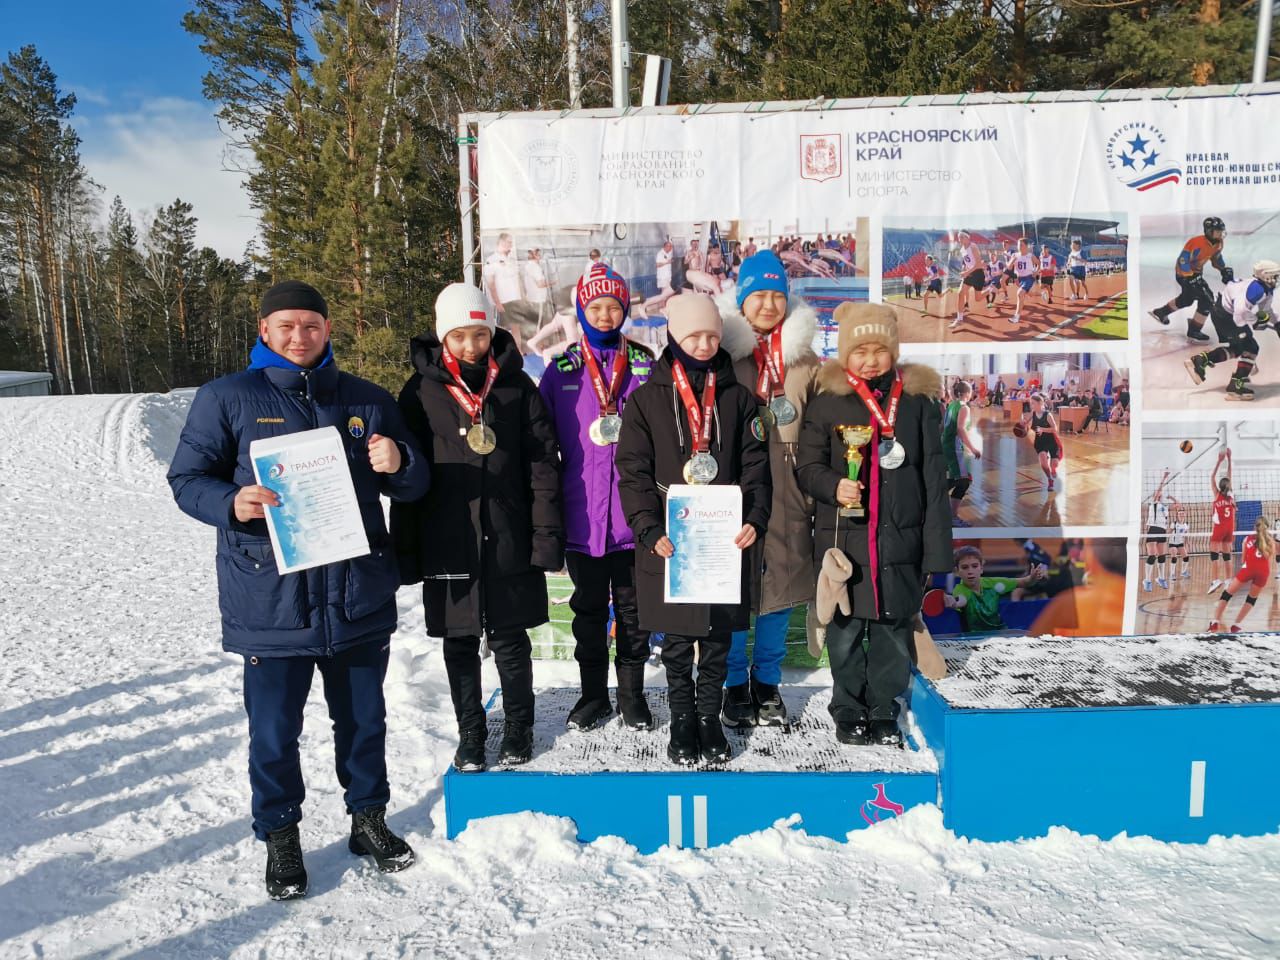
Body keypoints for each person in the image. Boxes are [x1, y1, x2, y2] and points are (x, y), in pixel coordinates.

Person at [168, 280, 429, 900]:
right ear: (264, 331)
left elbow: (414, 486)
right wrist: (232, 501)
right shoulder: (226, 398)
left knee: (364, 721)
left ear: (327, 329)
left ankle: (368, 820)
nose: (299, 336)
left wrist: (401, 462)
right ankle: (281, 836)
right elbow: (186, 479)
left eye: (310, 325)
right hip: (271, 599)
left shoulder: (365, 398)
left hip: (356, 594)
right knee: (274, 731)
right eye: (285, 325)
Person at [391, 283, 564, 773]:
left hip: (508, 534)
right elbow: (407, 476)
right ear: (444, 336)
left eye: (480, 335)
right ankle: (471, 732)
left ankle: (518, 727)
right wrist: (406, 552)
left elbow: (543, 467)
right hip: (450, 541)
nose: (471, 346)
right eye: (460, 336)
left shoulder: (515, 387)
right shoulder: (420, 391)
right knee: (460, 642)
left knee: (510, 641)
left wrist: (545, 537)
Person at [615, 294, 772, 766]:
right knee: (678, 642)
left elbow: (757, 468)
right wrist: (645, 526)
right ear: (673, 337)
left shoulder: (740, 399)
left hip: (722, 542)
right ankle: (682, 718)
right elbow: (632, 472)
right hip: (670, 540)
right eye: (693, 336)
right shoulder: (645, 401)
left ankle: (710, 717)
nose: (703, 345)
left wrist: (754, 519)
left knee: (719, 641)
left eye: (711, 336)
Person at [796, 304, 951, 748]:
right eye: (859, 350)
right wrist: (833, 485)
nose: (869, 360)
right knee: (844, 632)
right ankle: (847, 707)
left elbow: (933, 480)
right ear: (845, 352)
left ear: (893, 352)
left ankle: (885, 707)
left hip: (901, 545)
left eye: (878, 350)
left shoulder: (918, 402)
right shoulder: (828, 401)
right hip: (846, 543)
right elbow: (807, 466)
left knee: (891, 633)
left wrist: (935, 552)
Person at [539, 266, 656, 731]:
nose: (605, 315)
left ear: (625, 309)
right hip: (583, 518)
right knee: (587, 612)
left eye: (614, 307)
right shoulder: (562, 369)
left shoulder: (647, 365)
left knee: (634, 612)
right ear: (581, 310)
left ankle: (632, 697)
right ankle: (592, 697)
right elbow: (543, 445)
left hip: (633, 520)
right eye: (595, 307)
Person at [718, 251, 820, 728]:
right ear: (741, 300)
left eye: (777, 295)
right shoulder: (724, 356)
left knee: (780, 592)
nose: (768, 304)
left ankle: (767, 683)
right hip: (735, 491)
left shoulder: (806, 362)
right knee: (735, 592)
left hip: (790, 493)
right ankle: (734, 684)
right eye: (758, 295)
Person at [1184, 260, 1279, 402]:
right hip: (1226, 316)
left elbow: (1266, 310)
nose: (1277, 279)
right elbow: (1239, 315)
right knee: (1251, 348)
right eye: (1275, 276)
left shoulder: (1265, 288)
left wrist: (1277, 323)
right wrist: (1255, 322)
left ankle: (1200, 361)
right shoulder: (1256, 290)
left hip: (1225, 312)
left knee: (1239, 348)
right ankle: (1235, 387)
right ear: (1266, 276)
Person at [1150, 215, 1233, 342]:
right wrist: (1188, 277)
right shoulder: (1195, 242)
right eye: (1217, 232)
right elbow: (1183, 260)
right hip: (1184, 274)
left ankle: (1160, 312)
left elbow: (1216, 258)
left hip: (1196, 274)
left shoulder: (1219, 243)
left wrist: (1223, 269)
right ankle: (1194, 329)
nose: (1220, 234)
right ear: (1209, 231)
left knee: (1187, 299)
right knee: (1207, 299)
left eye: (1221, 231)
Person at [945, 545, 1047, 633]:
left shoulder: (993, 584)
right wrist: (954, 602)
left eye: (974, 566)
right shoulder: (960, 589)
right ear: (957, 571)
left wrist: (1032, 577)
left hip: (1000, 633)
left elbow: (1025, 582)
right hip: (973, 638)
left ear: (981, 568)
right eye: (965, 567)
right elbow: (961, 600)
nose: (970, 571)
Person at [1209, 518, 1276, 633]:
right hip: (1263, 572)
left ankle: (1215, 621)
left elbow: (1243, 560)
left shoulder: (1247, 539)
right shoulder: (1271, 542)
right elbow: (1269, 561)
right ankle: (1236, 625)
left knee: (1227, 594)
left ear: (1255, 527)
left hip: (1248, 568)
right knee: (1251, 599)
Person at [483, 232, 536, 352]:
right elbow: (491, 285)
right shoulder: (492, 260)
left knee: (516, 327)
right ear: (501, 243)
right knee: (502, 329)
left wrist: (524, 296)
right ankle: (505, 352)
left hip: (515, 299)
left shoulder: (511, 260)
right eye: (509, 242)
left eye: (511, 242)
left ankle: (519, 351)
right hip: (503, 301)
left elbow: (518, 280)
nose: (511, 245)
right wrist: (497, 303)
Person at [942, 379, 981, 527]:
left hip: (947, 445)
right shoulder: (964, 407)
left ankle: (935, 508)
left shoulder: (951, 404)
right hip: (954, 447)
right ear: (967, 393)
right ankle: (951, 517)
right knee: (964, 481)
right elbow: (960, 428)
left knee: (955, 479)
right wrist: (972, 448)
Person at [1207, 450, 1236, 593]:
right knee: (1226, 555)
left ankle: (1215, 580)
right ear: (1229, 486)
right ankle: (1229, 580)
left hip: (1219, 528)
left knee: (1213, 553)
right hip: (1230, 528)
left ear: (1220, 486)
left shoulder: (1217, 494)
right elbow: (1230, 475)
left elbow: (1212, 476)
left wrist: (1219, 461)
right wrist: (1229, 459)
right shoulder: (1231, 495)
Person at [1022, 392, 1063, 492]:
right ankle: (1050, 479)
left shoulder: (1048, 415)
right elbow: (1025, 422)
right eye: (1030, 403)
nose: (1031, 405)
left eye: (1033, 403)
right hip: (1040, 441)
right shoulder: (1033, 413)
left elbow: (1055, 429)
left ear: (1040, 403)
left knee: (1055, 464)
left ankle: (1053, 470)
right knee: (1044, 463)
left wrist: (1042, 429)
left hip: (1052, 441)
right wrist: (1022, 424)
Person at [1142, 468, 1172, 592]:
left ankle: (1161, 578)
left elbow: (1167, 519)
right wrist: (1164, 477)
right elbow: (1159, 490)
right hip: (1153, 529)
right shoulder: (1153, 503)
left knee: (1162, 556)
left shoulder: (1164, 507)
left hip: (1162, 531)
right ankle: (1147, 580)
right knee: (1152, 555)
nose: (1159, 494)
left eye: (1160, 494)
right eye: (1157, 493)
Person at [951, 230, 986, 330]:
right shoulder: (962, 249)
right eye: (958, 237)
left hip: (978, 273)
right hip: (970, 274)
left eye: (961, 237)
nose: (959, 239)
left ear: (967, 237)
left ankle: (991, 289)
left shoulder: (973, 246)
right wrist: (964, 270)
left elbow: (978, 264)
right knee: (960, 293)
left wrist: (966, 272)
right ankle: (959, 319)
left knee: (978, 298)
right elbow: (967, 262)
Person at [1010, 238, 1038, 326]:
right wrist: (1012, 261)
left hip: (1029, 277)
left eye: (1021, 245)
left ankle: (1016, 317)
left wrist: (1036, 271)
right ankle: (1042, 294)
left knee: (1020, 293)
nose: (1019, 246)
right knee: (1029, 293)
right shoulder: (1015, 255)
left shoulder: (1030, 256)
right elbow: (1009, 267)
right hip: (1020, 279)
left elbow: (1038, 263)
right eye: (1018, 245)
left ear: (1026, 246)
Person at [523, 248, 553, 328]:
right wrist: (552, 283)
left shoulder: (527, 266)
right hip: (538, 299)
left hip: (531, 298)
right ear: (536, 256)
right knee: (538, 324)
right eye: (539, 254)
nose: (540, 256)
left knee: (533, 323)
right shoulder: (536, 268)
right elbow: (540, 284)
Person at [1169, 501, 1192, 581]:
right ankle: (1172, 574)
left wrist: (1188, 543)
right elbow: (1168, 532)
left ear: (1184, 515)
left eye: (1182, 514)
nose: (1181, 515)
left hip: (1180, 543)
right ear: (1177, 515)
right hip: (1172, 543)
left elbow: (1186, 535)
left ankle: (1183, 572)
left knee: (1186, 557)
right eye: (1180, 514)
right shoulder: (1174, 524)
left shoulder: (1186, 525)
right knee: (1174, 557)